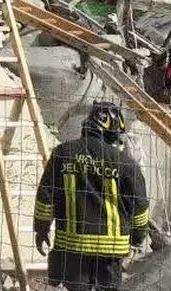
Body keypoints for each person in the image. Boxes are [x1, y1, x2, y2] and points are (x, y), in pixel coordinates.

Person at [34, 102, 150, 291]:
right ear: (113, 133)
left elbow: (45, 197)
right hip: (111, 252)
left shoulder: (63, 154)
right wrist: (137, 238)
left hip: (72, 247)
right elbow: (139, 207)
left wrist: (41, 228)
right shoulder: (126, 164)